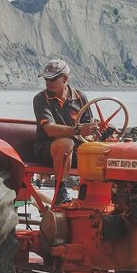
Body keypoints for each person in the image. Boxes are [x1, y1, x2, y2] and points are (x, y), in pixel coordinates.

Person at [32, 59, 95, 205]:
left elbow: (89, 129)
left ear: (65, 79)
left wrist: (94, 133)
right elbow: (49, 130)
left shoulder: (80, 97)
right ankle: (60, 189)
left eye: (53, 79)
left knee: (105, 150)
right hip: (47, 149)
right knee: (66, 143)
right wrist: (78, 130)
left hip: (76, 150)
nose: (48, 82)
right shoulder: (41, 99)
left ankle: (98, 196)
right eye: (46, 79)